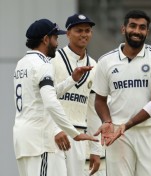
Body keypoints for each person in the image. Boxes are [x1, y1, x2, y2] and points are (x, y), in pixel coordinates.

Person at [91, 10, 151, 176]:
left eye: (142, 28)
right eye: (132, 26)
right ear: (123, 29)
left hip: (150, 132)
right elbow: (99, 100)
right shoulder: (106, 61)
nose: (137, 31)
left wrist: (126, 125)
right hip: (117, 135)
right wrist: (106, 121)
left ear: (147, 32)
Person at [13, 19, 98, 176]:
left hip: (22, 139)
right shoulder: (43, 63)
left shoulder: (21, 64)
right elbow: (51, 103)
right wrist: (75, 134)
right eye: (55, 38)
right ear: (46, 39)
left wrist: (71, 80)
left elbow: (44, 95)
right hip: (41, 141)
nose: (57, 43)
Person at [51, 14, 103, 176]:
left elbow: (93, 110)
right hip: (56, 134)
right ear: (68, 33)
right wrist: (54, 130)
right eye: (79, 30)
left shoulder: (95, 65)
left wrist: (96, 150)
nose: (84, 34)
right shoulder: (53, 59)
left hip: (79, 136)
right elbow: (44, 100)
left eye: (87, 31)